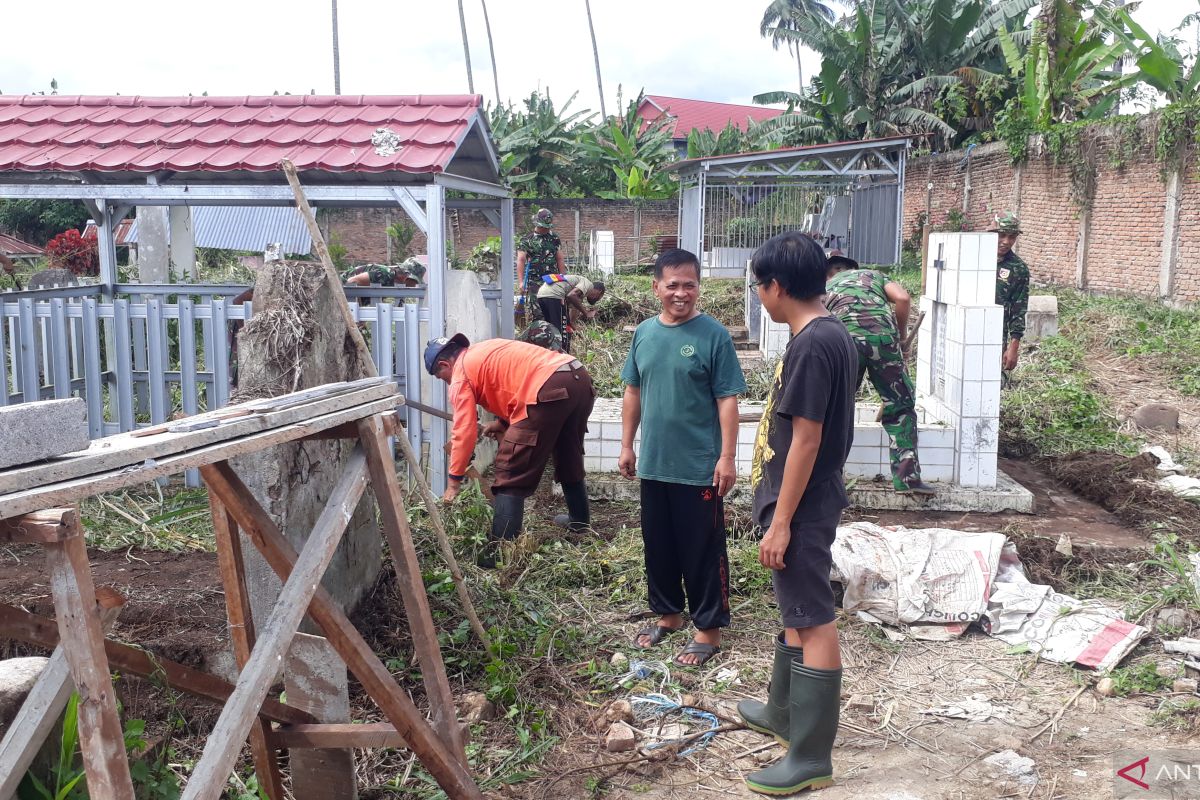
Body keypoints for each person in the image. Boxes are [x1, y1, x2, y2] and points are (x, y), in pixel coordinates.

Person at [738, 232, 856, 796]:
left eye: (759, 285)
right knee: (795, 607)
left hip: (802, 506)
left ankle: (810, 756)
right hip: (800, 499)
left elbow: (807, 439)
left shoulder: (813, 344)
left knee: (812, 618)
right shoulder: (828, 333)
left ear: (776, 287)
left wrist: (782, 520)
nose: (760, 295)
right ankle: (783, 712)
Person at [618, 248, 746, 667]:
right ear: (656, 288)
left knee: (702, 549)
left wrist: (727, 457)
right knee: (659, 545)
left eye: (689, 284)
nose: (681, 293)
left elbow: (728, 400)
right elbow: (632, 392)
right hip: (655, 464)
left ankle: (708, 629)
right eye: (672, 285)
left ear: (698, 287)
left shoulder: (713, 335)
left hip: (698, 467)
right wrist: (626, 445)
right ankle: (669, 615)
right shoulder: (644, 333)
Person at [425, 334, 595, 567]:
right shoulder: (484, 350)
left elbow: (464, 431)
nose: (445, 381)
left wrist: (454, 482)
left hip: (549, 386)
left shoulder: (460, 375)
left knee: (510, 467)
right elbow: (516, 386)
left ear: (445, 365)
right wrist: (503, 424)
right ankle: (579, 521)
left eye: (440, 377)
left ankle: (501, 553)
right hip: (577, 377)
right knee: (568, 454)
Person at [825, 255, 935, 495]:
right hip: (884, 340)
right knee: (901, 406)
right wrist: (900, 338)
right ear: (856, 268)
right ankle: (908, 480)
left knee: (836, 410)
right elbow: (903, 299)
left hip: (844, 342)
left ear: (827, 272)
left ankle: (831, 482)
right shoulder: (875, 276)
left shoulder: (824, 286)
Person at [990, 211, 1030, 372]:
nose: (1006, 242)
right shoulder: (971, 257)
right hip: (964, 330)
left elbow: (1018, 310)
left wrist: (1014, 346)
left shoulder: (1018, 269)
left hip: (995, 336)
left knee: (992, 382)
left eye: (1012, 237)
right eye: (1002, 235)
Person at [516, 208, 565, 322]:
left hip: (553, 281)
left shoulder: (554, 238)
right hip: (535, 283)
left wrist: (563, 279)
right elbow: (521, 260)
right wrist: (521, 282)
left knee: (553, 314)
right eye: (544, 227)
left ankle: (554, 337)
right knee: (538, 315)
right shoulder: (527, 240)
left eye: (547, 227)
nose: (546, 229)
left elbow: (560, 259)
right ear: (538, 224)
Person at [536, 274, 605, 352]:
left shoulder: (578, 291)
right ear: (599, 292)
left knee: (550, 329)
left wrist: (572, 324)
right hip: (555, 295)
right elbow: (572, 295)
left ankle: (549, 353)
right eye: (599, 298)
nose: (596, 300)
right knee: (562, 332)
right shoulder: (588, 284)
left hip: (542, 294)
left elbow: (572, 309)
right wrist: (586, 313)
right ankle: (563, 356)